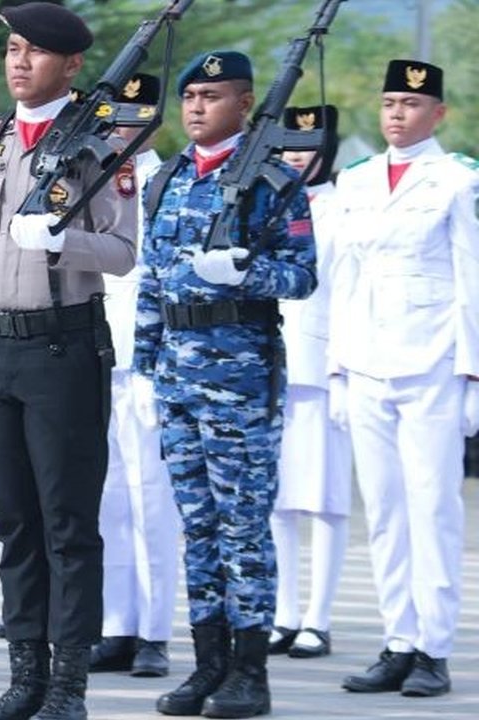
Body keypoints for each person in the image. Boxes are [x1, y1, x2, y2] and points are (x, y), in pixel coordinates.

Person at [0, 4, 137, 719]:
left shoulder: (99, 145)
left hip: (64, 349)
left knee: (67, 524)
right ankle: (25, 678)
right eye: (12, 49)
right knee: (15, 523)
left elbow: (122, 252)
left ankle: (68, 687)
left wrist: (63, 240)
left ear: (72, 64)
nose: (19, 62)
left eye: (35, 52)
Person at [133, 51, 316, 718]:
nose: (196, 107)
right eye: (190, 97)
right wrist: (146, 366)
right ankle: (208, 663)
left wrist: (246, 271)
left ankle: (249, 672)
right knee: (198, 525)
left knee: (243, 526)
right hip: (177, 379)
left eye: (211, 97)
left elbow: (302, 275)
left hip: (241, 377)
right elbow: (152, 280)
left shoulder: (272, 180)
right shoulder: (168, 178)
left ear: (243, 103)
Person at [328, 59, 479, 699]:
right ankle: (397, 641)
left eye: (412, 104)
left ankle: (433, 650)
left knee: (433, 507)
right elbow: (344, 278)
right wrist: (337, 368)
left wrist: (473, 375)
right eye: (390, 102)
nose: (397, 113)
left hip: (432, 365)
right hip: (366, 363)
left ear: (437, 113)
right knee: (385, 511)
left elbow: (473, 279)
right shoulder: (356, 179)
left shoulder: (459, 181)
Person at [90, 72, 182, 680]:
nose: (122, 129)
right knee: (106, 499)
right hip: (94, 350)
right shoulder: (88, 178)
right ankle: (115, 624)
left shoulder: (167, 181)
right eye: (114, 119)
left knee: (151, 500)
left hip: (148, 357)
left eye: (134, 119)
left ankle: (154, 631)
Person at [267, 104, 353, 662]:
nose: (298, 157)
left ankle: (318, 619)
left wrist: (343, 368)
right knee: (277, 499)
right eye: (290, 147)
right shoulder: (267, 203)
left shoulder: (346, 208)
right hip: (269, 364)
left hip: (323, 367)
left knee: (325, 499)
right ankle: (284, 614)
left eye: (309, 147)